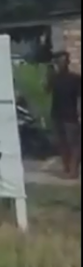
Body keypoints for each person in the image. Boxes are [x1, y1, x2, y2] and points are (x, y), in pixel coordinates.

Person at [45, 51, 81, 179]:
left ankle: (73, 171)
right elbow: (46, 90)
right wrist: (49, 73)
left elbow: (79, 97)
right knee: (61, 143)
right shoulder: (54, 78)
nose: (61, 63)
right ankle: (66, 168)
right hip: (56, 114)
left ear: (68, 62)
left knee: (74, 144)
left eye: (63, 60)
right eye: (58, 61)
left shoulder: (75, 78)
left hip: (70, 116)